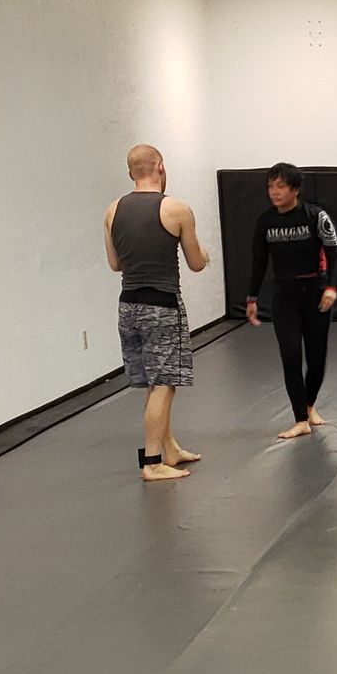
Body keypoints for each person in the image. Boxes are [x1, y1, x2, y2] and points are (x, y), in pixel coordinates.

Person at [107, 143, 210, 480]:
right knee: (164, 382)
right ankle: (151, 463)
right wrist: (205, 255)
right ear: (161, 168)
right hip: (161, 306)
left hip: (128, 305)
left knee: (153, 381)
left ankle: (169, 448)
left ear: (130, 173)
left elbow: (114, 264)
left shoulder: (113, 211)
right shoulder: (176, 209)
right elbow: (195, 263)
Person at [247, 163, 337, 440]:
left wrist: (332, 287)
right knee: (290, 355)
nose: (274, 192)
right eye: (270, 187)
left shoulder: (316, 216)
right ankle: (300, 418)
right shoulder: (265, 222)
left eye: (280, 186)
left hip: (316, 292)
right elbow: (259, 262)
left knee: (316, 358)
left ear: (295, 189)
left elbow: (335, 255)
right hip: (284, 295)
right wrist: (251, 298)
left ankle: (309, 405)